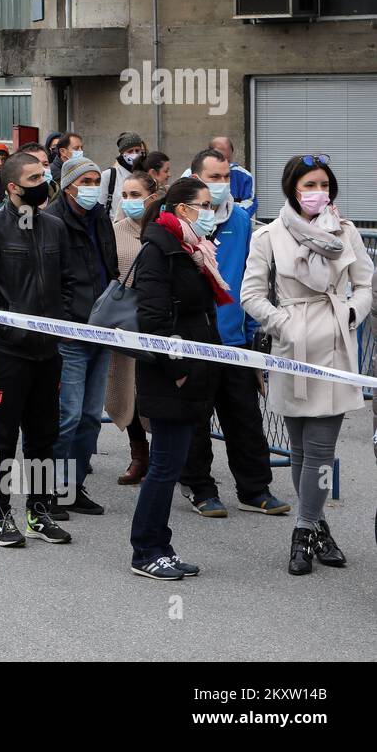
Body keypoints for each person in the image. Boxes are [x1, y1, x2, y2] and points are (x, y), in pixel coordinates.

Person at [241, 154, 373, 575]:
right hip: (292, 348)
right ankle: (319, 526)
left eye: (324, 184)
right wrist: (284, 324)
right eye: (309, 185)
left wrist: (350, 315)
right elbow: (251, 294)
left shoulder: (346, 231)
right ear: (292, 189)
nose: (319, 192)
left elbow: (366, 283)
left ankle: (302, 531)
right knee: (299, 451)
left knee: (320, 449)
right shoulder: (269, 236)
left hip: (335, 344)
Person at [0, 152, 75, 548]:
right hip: (5, 351)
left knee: (43, 436)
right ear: (11, 187)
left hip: (48, 352)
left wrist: (65, 321)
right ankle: (0, 512)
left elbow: (71, 281)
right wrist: (14, 325)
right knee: (2, 436)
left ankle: (39, 511)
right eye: (34, 177)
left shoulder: (55, 227)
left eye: (44, 174)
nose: (43, 181)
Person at [180, 148, 289, 518]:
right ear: (195, 179)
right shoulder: (176, 220)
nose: (222, 184)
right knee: (195, 420)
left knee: (245, 418)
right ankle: (199, 487)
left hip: (234, 342)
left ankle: (255, 488)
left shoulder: (241, 221)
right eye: (214, 177)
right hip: (194, 341)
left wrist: (257, 334)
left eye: (226, 177)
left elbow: (252, 282)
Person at [129, 176, 227, 580]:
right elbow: (152, 320)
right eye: (204, 205)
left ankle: (160, 545)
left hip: (193, 371)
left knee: (169, 464)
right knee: (165, 467)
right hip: (172, 377)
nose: (211, 212)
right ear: (182, 209)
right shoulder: (160, 251)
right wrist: (181, 371)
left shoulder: (190, 248)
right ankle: (146, 550)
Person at [44, 155, 118, 515]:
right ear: (69, 184)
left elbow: (109, 265)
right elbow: (48, 277)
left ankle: (73, 485)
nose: (92, 188)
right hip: (70, 331)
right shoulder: (52, 220)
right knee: (68, 414)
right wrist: (65, 318)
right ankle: (50, 488)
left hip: (101, 329)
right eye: (85, 181)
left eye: (95, 181)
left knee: (91, 415)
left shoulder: (100, 217)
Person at [103, 172, 160, 485]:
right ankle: (139, 455)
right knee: (129, 390)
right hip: (125, 324)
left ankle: (167, 456)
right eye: (124, 195)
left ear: (153, 196)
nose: (129, 201)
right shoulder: (114, 232)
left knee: (159, 389)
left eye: (135, 194)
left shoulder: (164, 229)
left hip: (159, 323)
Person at [101, 131, 147, 219]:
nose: (135, 154)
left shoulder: (145, 174)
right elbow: (100, 206)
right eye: (130, 151)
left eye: (137, 150)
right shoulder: (109, 175)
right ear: (122, 153)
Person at [210, 136, 257, 217]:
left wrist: (229, 215)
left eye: (228, 160)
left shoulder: (244, 176)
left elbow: (250, 204)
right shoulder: (193, 173)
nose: (224, 164)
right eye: (220, 160)